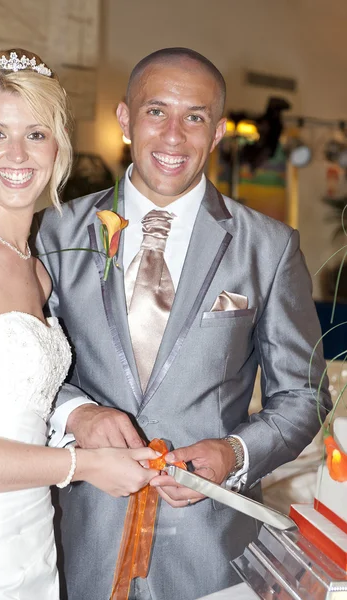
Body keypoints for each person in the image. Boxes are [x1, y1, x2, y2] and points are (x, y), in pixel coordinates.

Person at [33, 47, 332, 600]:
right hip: (77, 540)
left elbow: (305, 395)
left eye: (194, 117)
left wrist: (234, 454)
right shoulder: (53, 233)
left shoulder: (268, 246)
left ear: (217, 131)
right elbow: (30, 367)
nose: (174, 136)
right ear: (125, 118)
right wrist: (77, 412)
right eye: (156, 112)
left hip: (213, 552)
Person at [0, 48, 160, 600]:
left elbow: (14, 400)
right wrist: (86, 466)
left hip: (31, 538)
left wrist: (81, 416)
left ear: (58, 148)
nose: (18, 154)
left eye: (36, 134)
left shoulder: (36, 270)